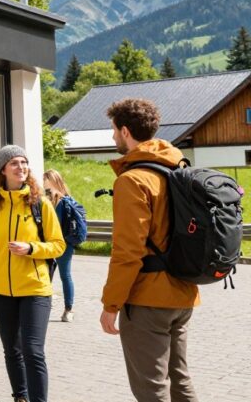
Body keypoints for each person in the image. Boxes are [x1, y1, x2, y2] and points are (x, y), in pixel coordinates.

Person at [99, 98, 199, 402]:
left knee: (151, 389)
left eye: (114, 130)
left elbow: (128, 252)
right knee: (180, 380)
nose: (113, 137)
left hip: (148, 300)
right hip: (183, 292)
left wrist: (111, 304)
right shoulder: (177, 168)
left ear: (126, 131)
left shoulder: (133, 180)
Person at [0, 145, 65, 402]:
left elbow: (59, 244)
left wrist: (31, 248)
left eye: (24, 162)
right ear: (3, 169)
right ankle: (20, 397)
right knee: (11, 351)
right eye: (14, 162)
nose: (21, 167)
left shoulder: (40, 204)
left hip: (35, 288)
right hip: (0, 290)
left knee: (33, 350)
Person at [43, 169, 79, 322]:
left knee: (65, 275)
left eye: (45, 179)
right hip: (50, 244)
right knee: (46, 275)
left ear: (52, 180)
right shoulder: (47, 198)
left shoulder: (63, 201)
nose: (43, 182)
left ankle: (68, 309)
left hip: (63, 244)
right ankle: (45, 305)